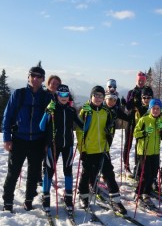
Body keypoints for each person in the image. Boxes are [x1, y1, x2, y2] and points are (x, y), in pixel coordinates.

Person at [2, 66, 52, 212]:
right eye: (33, 75)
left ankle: (29, 200)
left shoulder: (46, 97)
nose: (35, 79)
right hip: (18, 139)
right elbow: (7, 116)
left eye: (39, 76)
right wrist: (6, 138)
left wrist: (47, 143)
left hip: (38, 141)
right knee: (13, 172)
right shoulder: (19, 94)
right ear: (28, 76)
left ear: (43, 79)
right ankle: (8, 201)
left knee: (34, 172)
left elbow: (51, 123)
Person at [76, 86, 127, 214]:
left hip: (103, 148)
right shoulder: (85, 111)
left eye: (100, 96)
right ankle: (83, 196)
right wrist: (82, 149)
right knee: (86, 173)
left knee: (109, 173)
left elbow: (109, 128)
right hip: (88, 149)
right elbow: (79, 131)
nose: (98, 98)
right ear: (91, 96)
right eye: (96, 95)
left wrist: (109, 132)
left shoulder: (106, 111)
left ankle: (116, 199)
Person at [39, 84, 84, 212]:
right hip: (53, 145)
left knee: (68, 171)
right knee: (49, 170)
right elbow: (41, 127)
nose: (64, 97)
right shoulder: (52, 109)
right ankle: (46, 197)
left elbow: (83, 127)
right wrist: (47, 113)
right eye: (61, 95)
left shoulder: (71, 110)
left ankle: (68, 197)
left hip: (68, 145)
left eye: (66, 95)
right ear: (56, 95)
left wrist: (88, 114)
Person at [133, 98, 162, 209]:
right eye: (154, 108)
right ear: (150, 109)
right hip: (144, 152)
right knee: (145, 174)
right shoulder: (144, 120)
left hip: (155, 152)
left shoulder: (161, 120)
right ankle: (138, 193)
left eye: (158, 109)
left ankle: (146, 192)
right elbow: (136, 133)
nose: (156, 111)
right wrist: (144, 132)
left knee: (153, 173)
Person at [123, 72, 149, 174]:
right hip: (131, 120)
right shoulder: (131, 91)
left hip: (142, 121)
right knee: (128, 144)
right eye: (139, 80)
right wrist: (129, 100)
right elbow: (127, 107)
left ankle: (137, 166)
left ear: (145, 80)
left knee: (139, 145)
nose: (141, 82)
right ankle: (126, 166)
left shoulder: (147, 91)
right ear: (136, 80)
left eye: (143, 80)